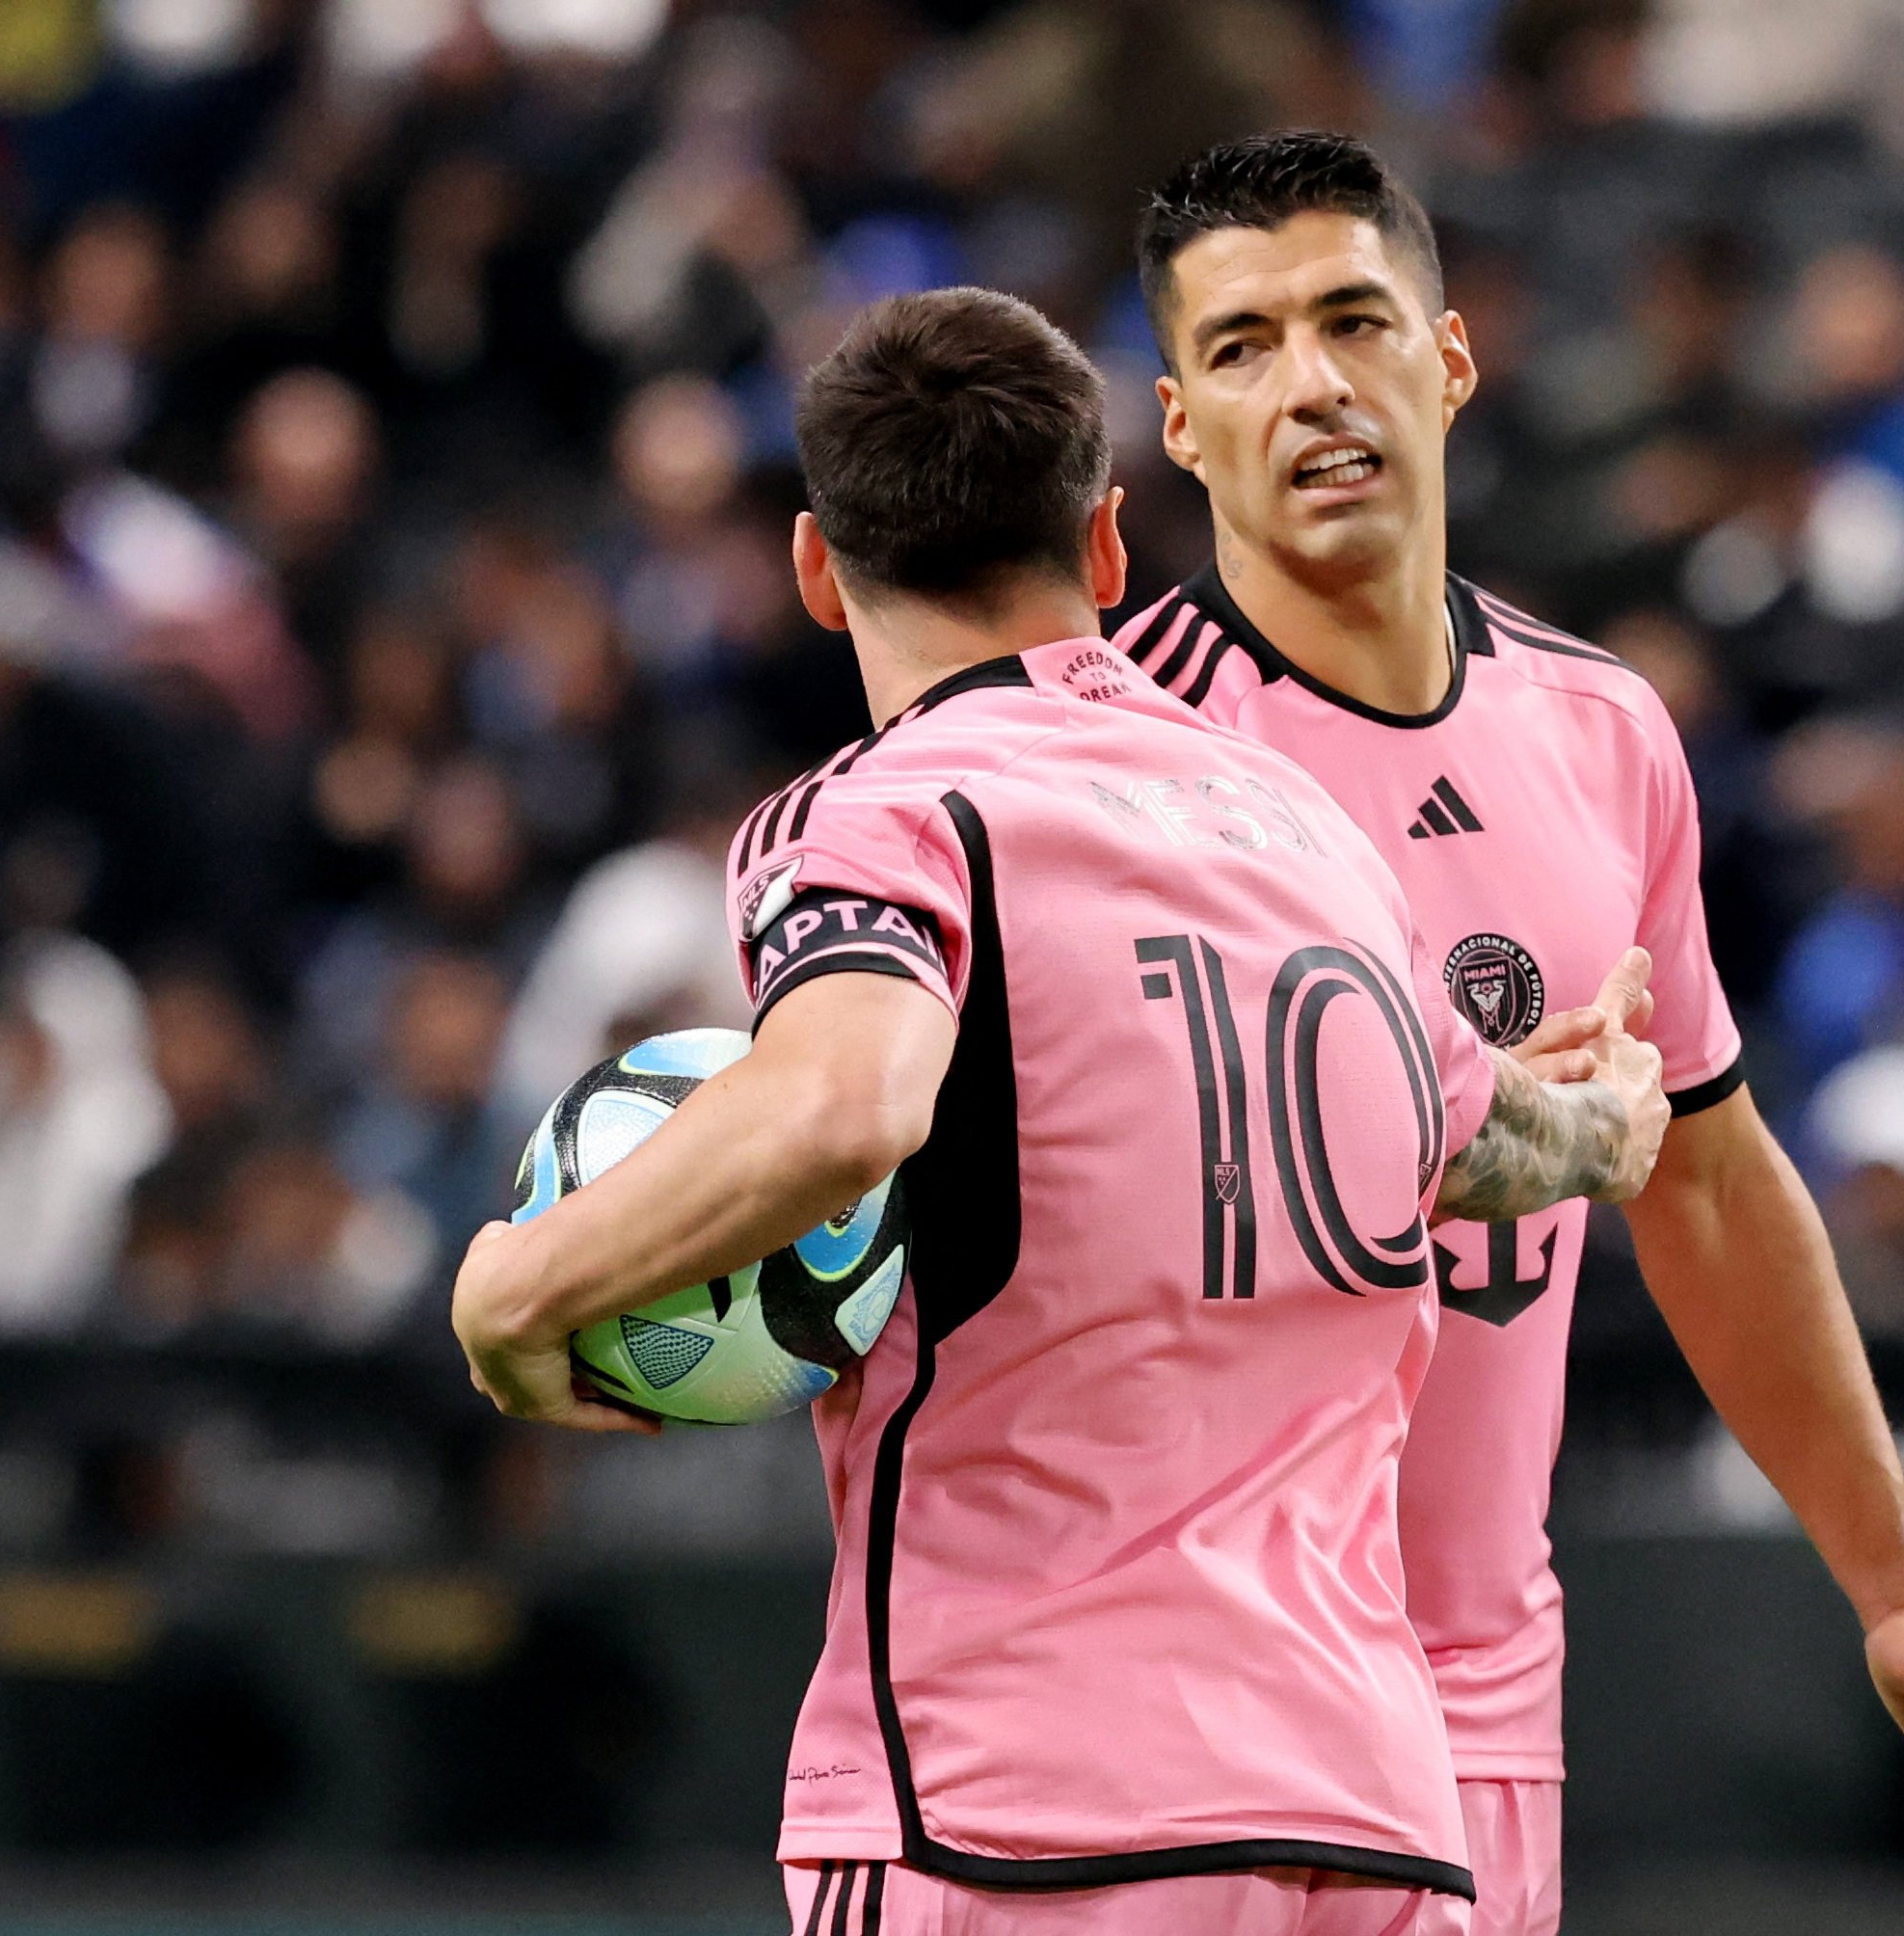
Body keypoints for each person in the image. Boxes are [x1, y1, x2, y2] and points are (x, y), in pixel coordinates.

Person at [451, 287, 1670, 1936]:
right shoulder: (1306, 834)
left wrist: (518, 1292)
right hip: (1370, 1822)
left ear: (819, 568)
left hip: (1018, 1814)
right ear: (1107, 549)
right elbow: (1514, 1150)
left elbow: (845, 1102)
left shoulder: (880, 819)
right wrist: (1613, 1100)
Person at [1117, 133, 1904, 1933]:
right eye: (1239, 347)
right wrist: (1465, 1127)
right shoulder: (1109, 764)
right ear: (1175, 424)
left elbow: (1704, 1186)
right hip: (1180, 1713)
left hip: (1474, 1713)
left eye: (1350, 320)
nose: (1307, 385)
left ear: (1445, 364)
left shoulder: (1600, 734)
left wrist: (1893, 1590)